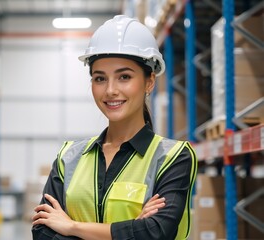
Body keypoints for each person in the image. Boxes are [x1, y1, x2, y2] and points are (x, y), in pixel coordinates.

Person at [31, 15, 197, 240]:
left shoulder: (173, 157)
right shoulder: (68, 157)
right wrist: (130, 229)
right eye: (100, 79)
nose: (110, 90)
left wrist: (72, 227)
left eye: (124, 77)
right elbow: (43, 232)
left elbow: (155, 233)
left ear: (149, 81)